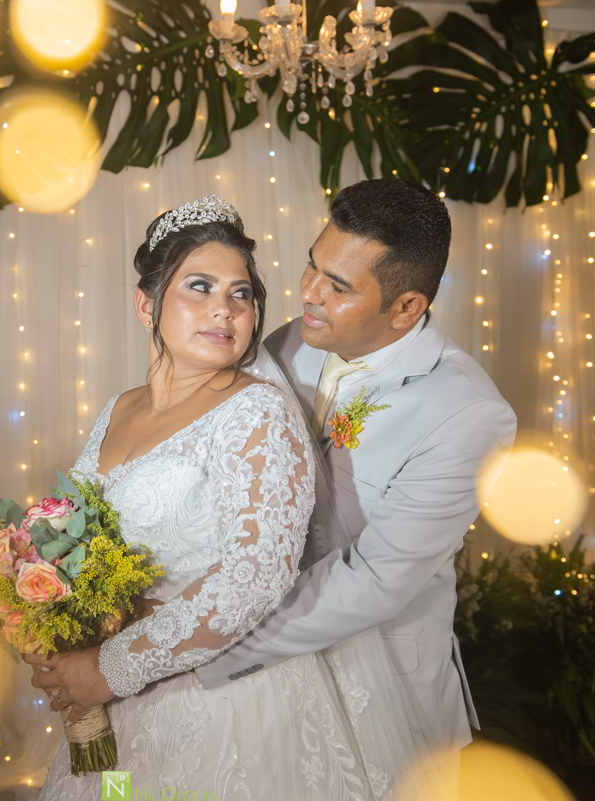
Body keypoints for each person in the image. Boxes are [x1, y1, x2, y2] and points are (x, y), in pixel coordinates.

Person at [32, 179, 516, 777]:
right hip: (174, 659)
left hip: (374, 682)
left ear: (407, 307)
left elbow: (372, 581)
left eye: (337, 286)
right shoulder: (286, 340)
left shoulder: (466, 414)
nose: (307, 292)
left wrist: (154, 653)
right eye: (312, 265)